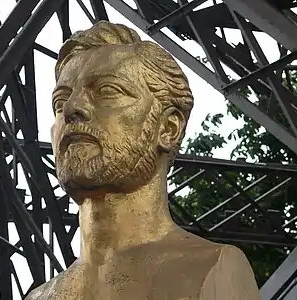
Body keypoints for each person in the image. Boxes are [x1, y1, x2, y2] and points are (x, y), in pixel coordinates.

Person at [27, 21, 260, 300]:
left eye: (108, 92)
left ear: (168, 128)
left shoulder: (215, 269)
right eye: (60, 101)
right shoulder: (41, 296)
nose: (71, 109)